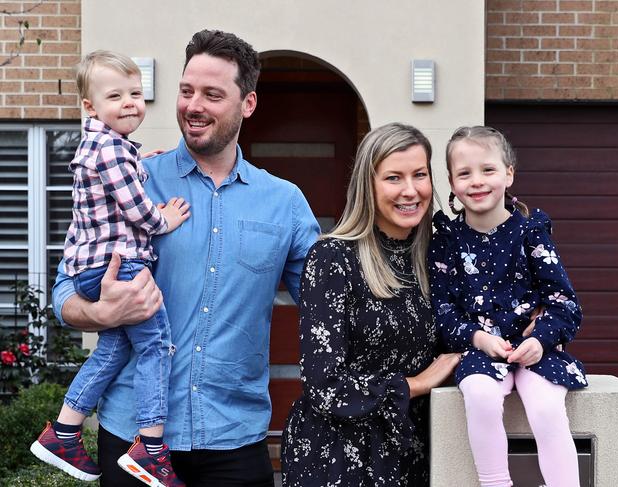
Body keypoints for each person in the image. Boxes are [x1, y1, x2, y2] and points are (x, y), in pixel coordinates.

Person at [50, 30, 320, 487]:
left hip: (235, 437)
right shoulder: (134, 178)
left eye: (212, 95)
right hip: (131, 436)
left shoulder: (285, 202)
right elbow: (63, 291)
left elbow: (324, 302)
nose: (193, 105)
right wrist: (100, 311)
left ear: (247, 104)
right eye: (186, 91)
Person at [31, 50, 190, 486]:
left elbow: (118, 183)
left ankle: (63, 432)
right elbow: (140, 212)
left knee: (115, 349)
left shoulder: (107, 148)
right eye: (115, 95)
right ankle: (152, 449)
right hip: (121, 264)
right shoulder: (112, 153)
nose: (130, 103)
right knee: (157, 345)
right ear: (90, 107)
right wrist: (166, 220)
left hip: (95, 265)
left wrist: (138, 162)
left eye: (136, 94)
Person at [281, 123, 460, 486]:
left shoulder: (437, 256)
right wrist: (415, 384)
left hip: (415, 455)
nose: (410, 190)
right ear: (369, 185)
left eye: (420, 175)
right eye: (394, 177)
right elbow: (324, 387)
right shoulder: (333, 258)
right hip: (338, 459)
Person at [429, 125, 587, 487]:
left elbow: (564, 304)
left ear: (508, 173)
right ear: (452, 183)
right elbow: (443, 310)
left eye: (488, 169)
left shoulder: (530, 233)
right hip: (481, 351)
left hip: (537, 352)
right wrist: (478, 338)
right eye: (464, 173)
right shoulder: (447, 242)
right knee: (480, 396)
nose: (477, 181)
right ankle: (495, 483)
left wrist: (541, 340)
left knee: (546, 408)